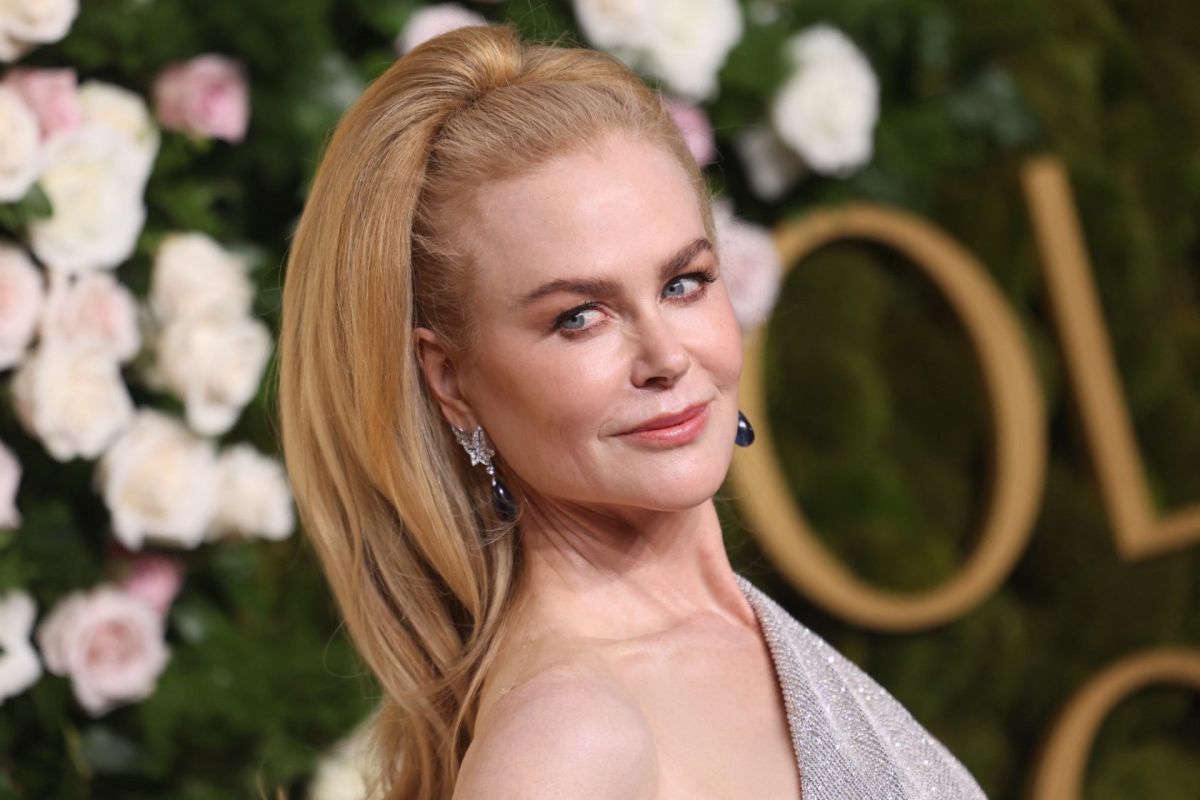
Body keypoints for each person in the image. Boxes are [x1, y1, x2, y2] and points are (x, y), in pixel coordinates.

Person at [277, 21, 988, 800]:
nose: (666, 357)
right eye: (579, 316)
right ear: (450, 381)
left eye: (684, 283)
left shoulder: (732, 633)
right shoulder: (568, 741)